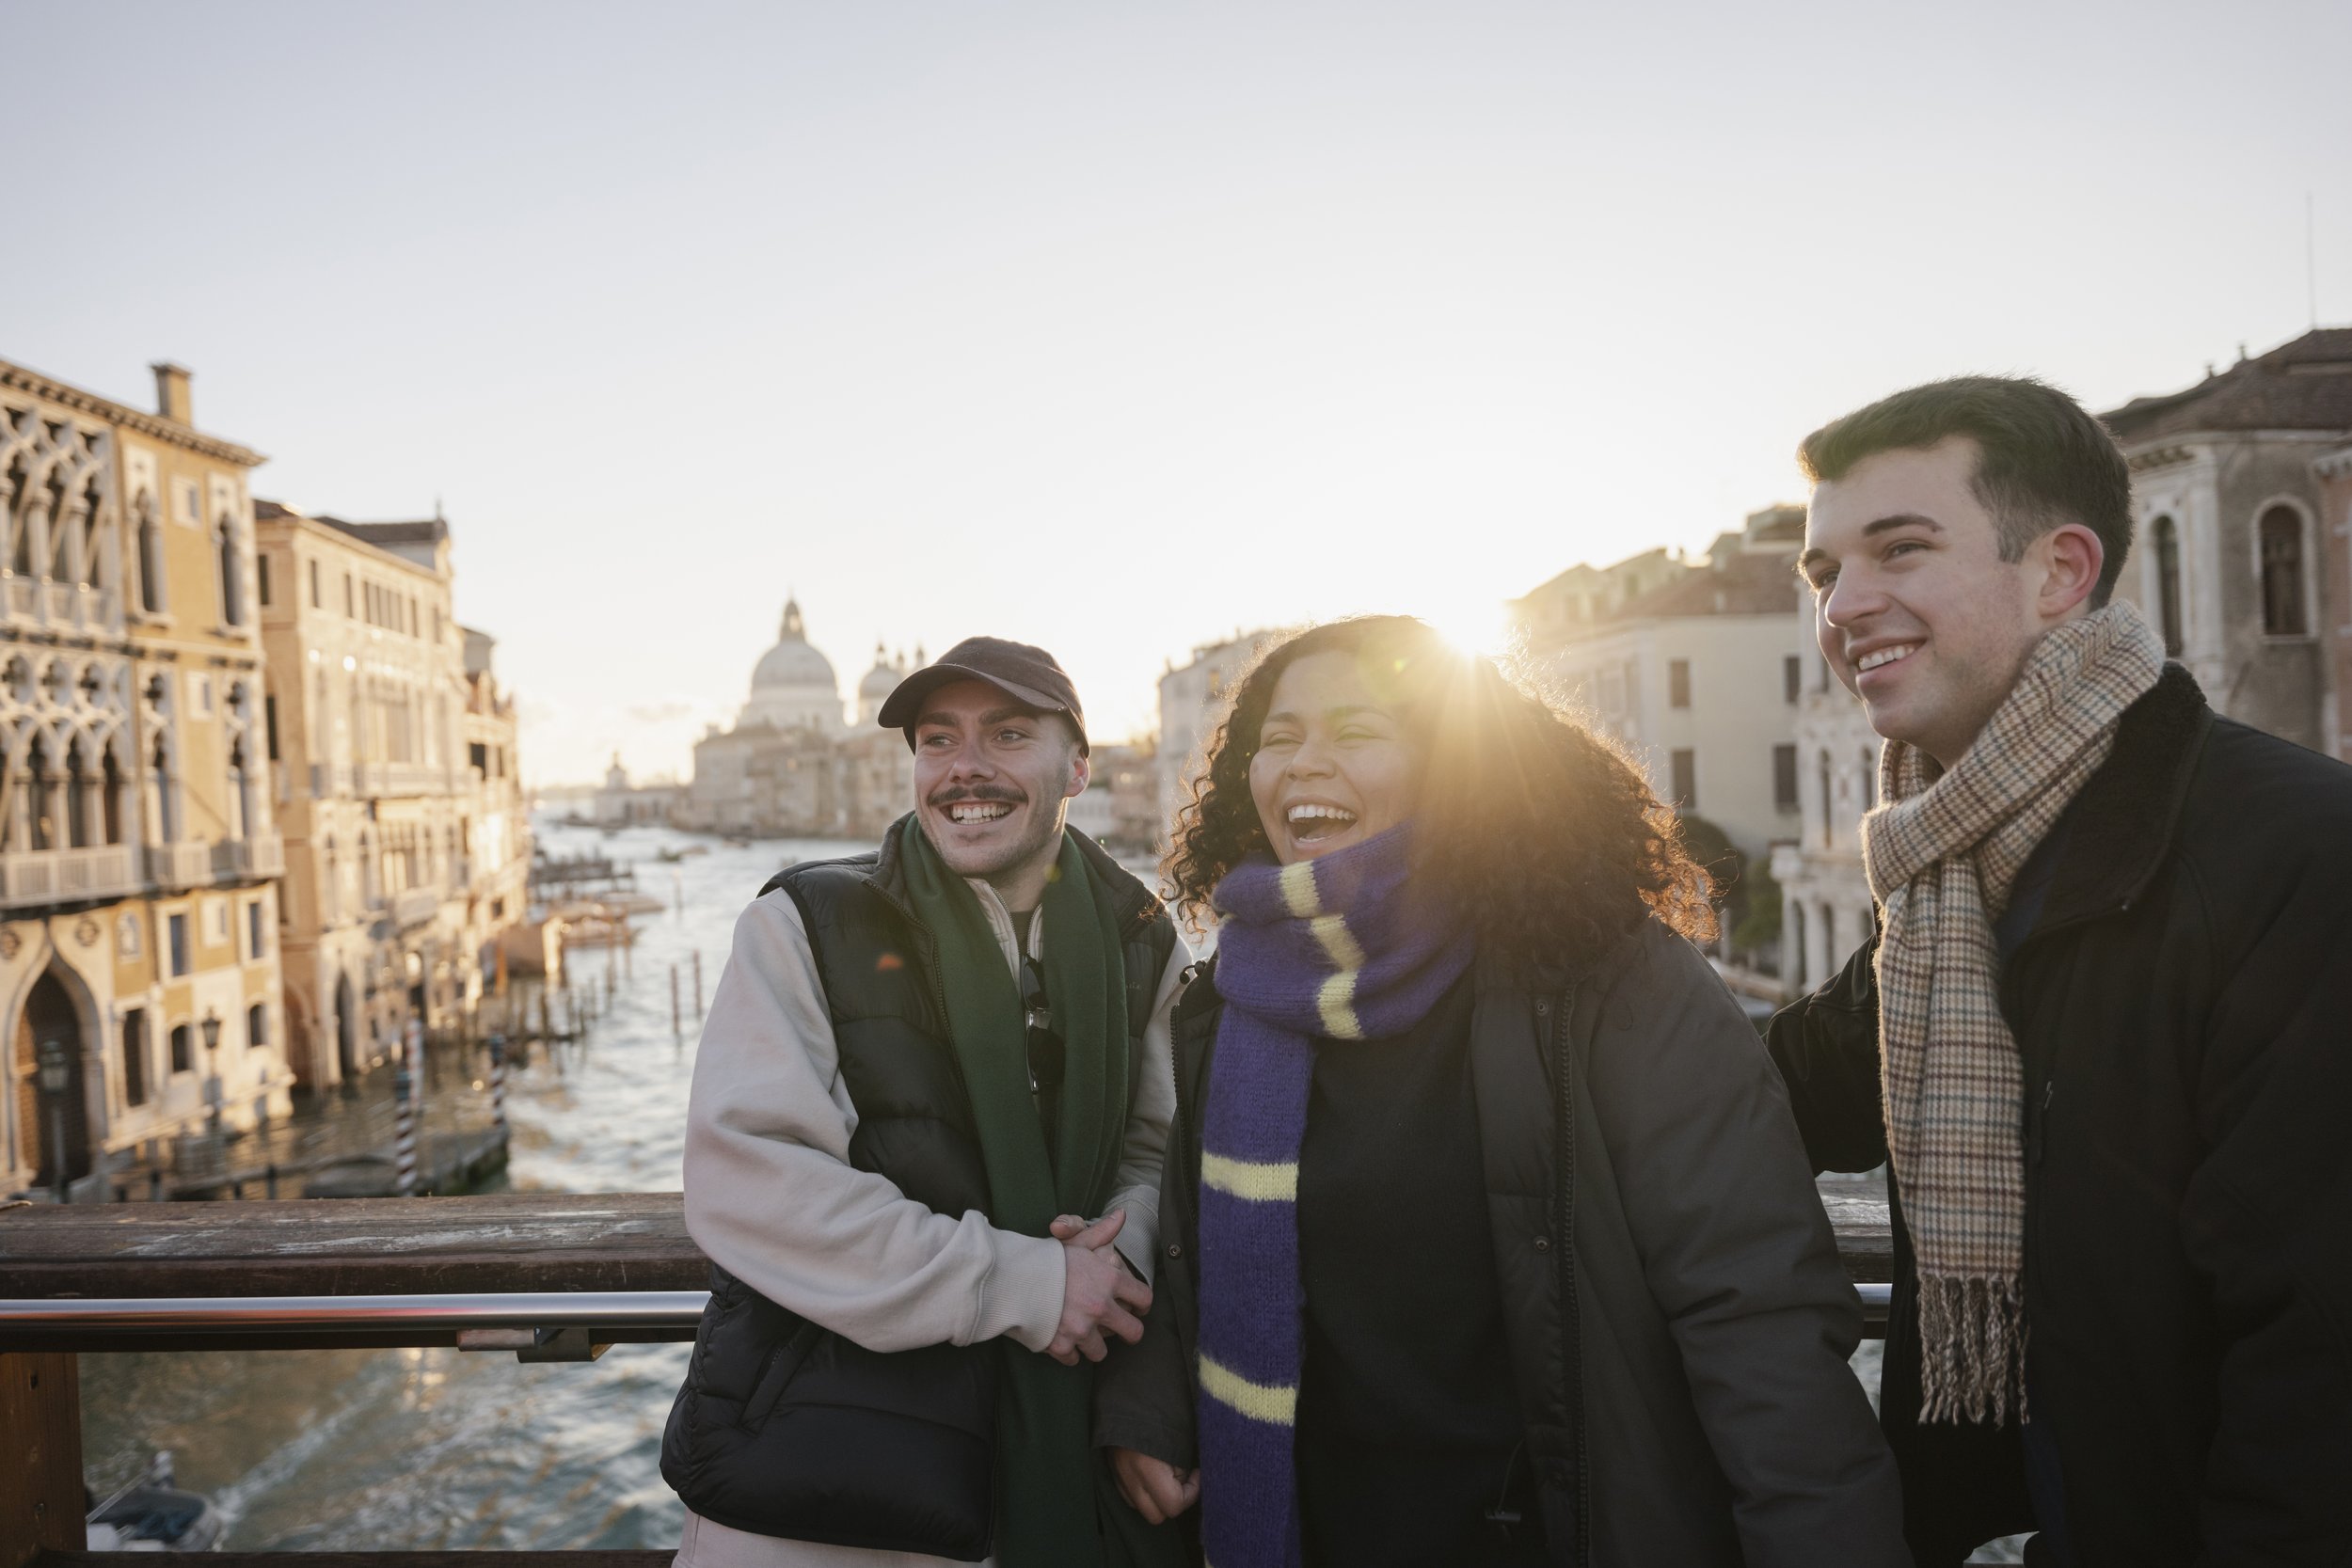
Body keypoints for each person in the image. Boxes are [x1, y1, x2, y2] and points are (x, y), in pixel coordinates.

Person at [1092, 615, 1909, 1568]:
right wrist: (1152, 1401)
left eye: (1356, 731)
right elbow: (1194, 1243)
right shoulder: (1227, 1004)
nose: (1305, 761)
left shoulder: (1609, 979)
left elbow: (1757, 1317)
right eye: (1280, 736)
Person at [1769, 376, 2352, 1566]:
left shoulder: (2296, 853)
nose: (1843, 605)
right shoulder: (1952, 867)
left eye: (1900, 548)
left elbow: (2317, 1357)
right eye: (1825, 570)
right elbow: (1778, 1087)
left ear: (2061, 571)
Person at [661, 637, 1194, 1568]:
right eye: (939, 739)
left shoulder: (1146, 940)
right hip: (829, 1483)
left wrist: (1109, 1272)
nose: (965, 767)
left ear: (1078, 766)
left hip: (1073, 1437)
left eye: (1008, 734)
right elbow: (750, 1182)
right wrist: (1028, 1284)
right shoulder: (802, 924)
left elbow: (1159, 1151)